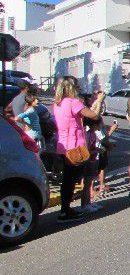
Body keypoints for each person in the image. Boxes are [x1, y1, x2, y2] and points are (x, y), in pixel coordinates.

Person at [53, 76, 104, 223]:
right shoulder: (73, 102)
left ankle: (65, 209)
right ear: (72, 87)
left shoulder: (58, 103)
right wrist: (99, 101)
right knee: (71, 180)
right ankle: (65, 212)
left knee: (67, 180)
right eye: (77, 86)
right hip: (74, 147)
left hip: (63, 146)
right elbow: (94, 115)